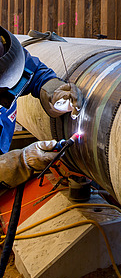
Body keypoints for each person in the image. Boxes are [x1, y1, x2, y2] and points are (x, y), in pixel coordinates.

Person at [0, 26, 83, 190]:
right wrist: (20, 163)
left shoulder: (6, 54)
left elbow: (35, 72)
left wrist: (54, 91)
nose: (8, 94)